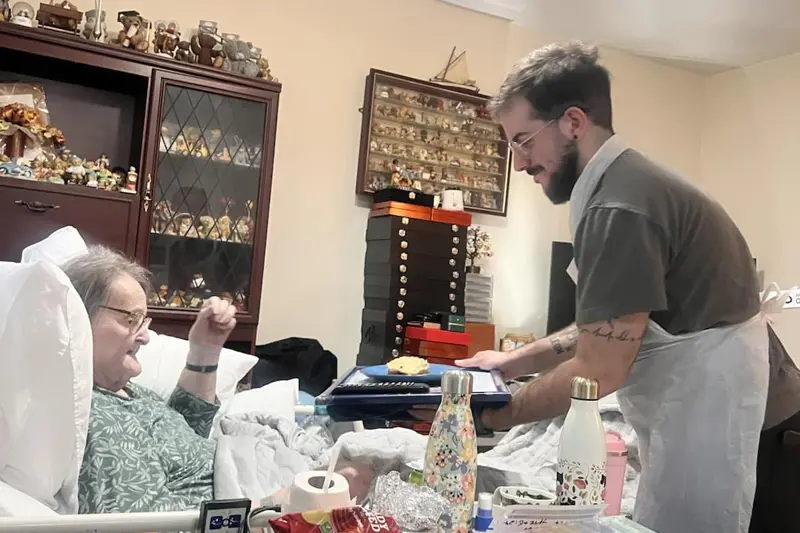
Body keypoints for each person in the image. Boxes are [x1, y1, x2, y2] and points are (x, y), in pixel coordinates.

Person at [455, 42, 800, 533]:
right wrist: (514, 362)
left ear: (573, 122)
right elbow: (609, 324)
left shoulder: (619, 208)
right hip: (716, 411)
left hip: (762, 433)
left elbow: (598, 369)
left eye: (524, 141)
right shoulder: (616, 186)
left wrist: (492, 415)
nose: (520, 163)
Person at [61, 246, 369, 514]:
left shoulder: (129, 393)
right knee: (366, 468)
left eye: (144, 321)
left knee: (367, 461)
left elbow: (187, 432)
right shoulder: (97, 419)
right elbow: (145, 521)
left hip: (258, 473)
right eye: (131, 319)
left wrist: (205, 349)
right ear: (78, 320)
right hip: (255, 506)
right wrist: (278, 504)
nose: (145, 336)